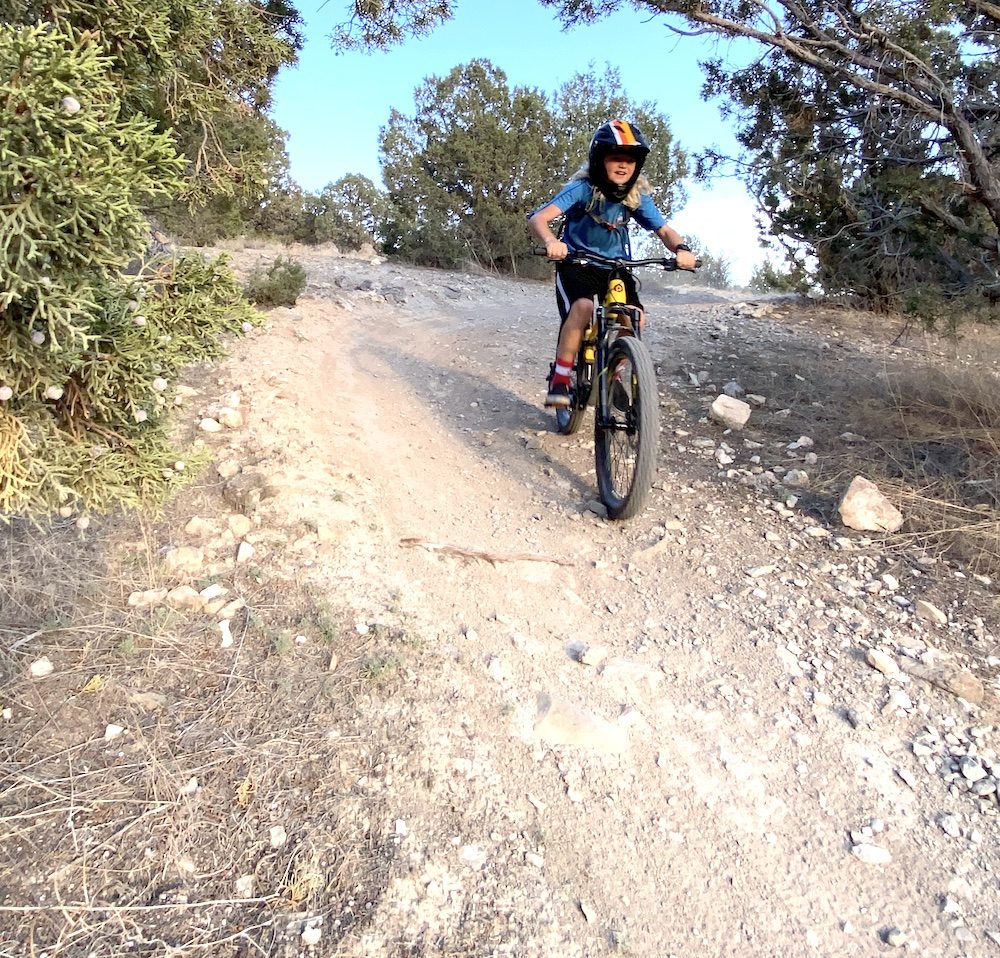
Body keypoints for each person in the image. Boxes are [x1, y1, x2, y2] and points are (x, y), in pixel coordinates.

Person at [528, 118, 697, 408]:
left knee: (632, 317)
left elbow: (665, 231)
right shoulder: (583, 189)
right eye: (615, 158)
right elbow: (539, 218)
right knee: (582, 309)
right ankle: (561, 376)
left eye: (630, 161)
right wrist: (551, 243)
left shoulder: (635, 196)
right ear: (599, 160)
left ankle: (615, 369)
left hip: (616, 267)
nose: (623, 166)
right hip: (577, 262)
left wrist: (681, 249)